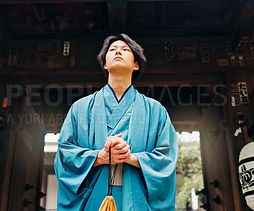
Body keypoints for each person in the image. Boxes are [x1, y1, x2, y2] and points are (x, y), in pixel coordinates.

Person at [54, 34, 178, 210]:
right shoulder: (80, 108)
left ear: (136, 65)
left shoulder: (156, 111)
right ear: (105, 64)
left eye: (125, 49)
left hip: (136, 197)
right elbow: (64, 154)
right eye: (112, 50)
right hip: (92, 197)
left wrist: (131, 158)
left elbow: (167, 157)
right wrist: (99, 157)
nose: (118, 51)